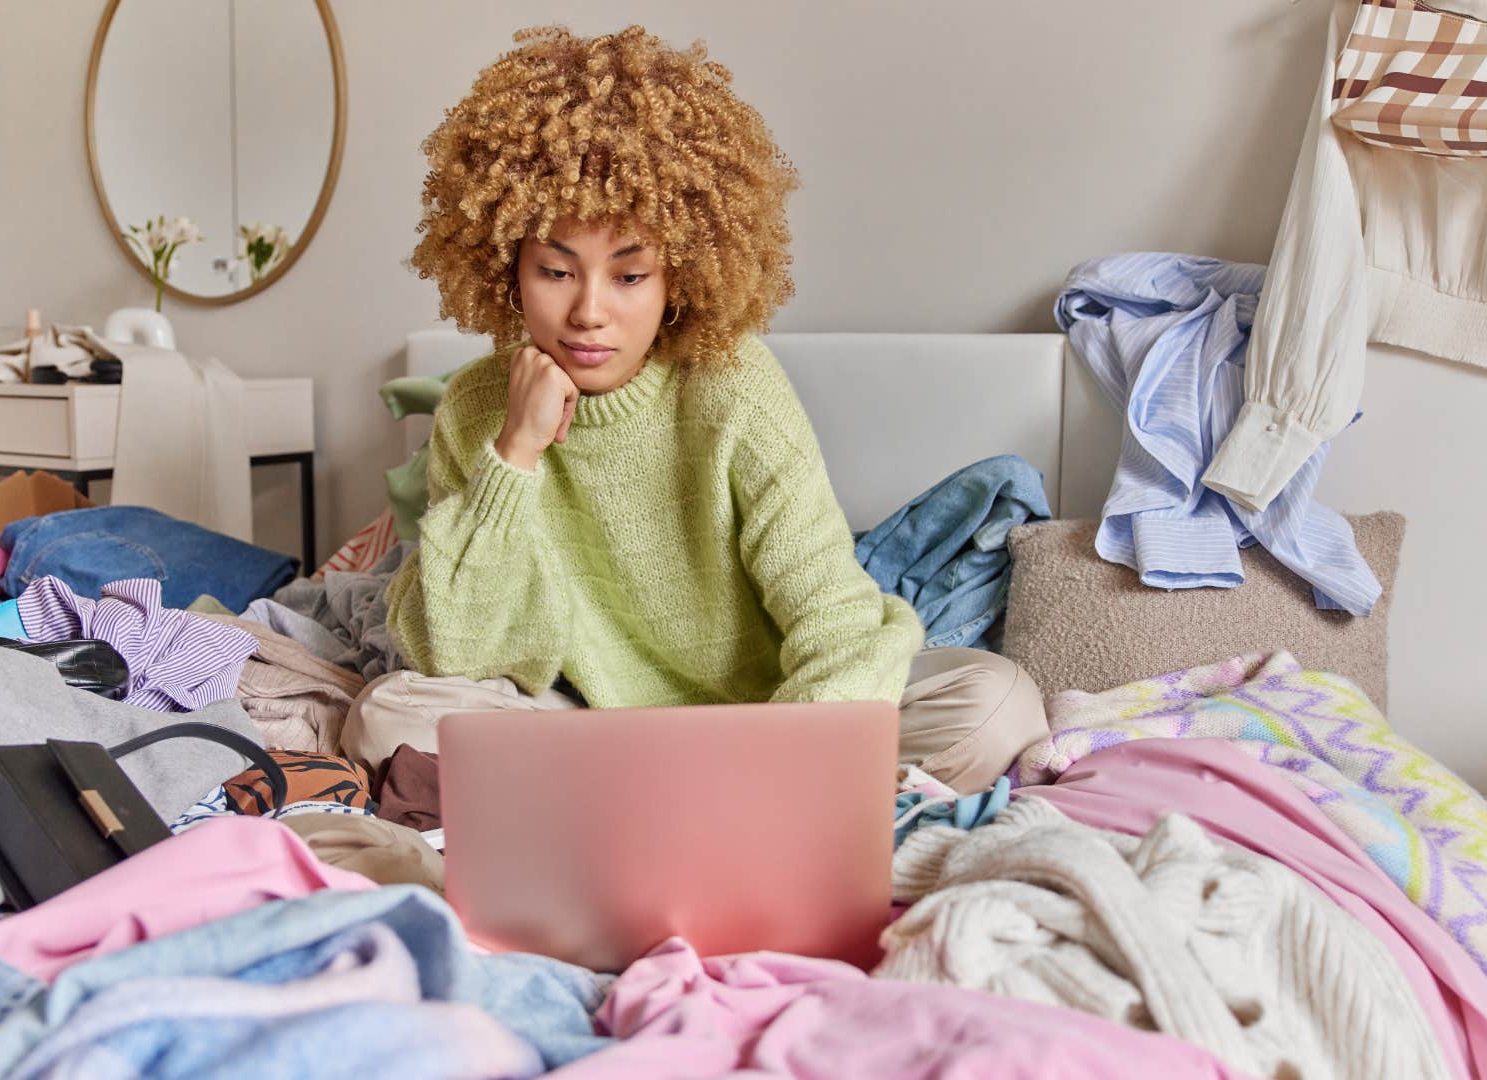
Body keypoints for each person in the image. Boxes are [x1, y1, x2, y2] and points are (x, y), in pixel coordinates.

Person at [345, 25, 1045, 794]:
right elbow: (457, 654)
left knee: (997, 705)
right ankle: (694, 789)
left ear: (678, 276)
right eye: (556, 271)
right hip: (585, 722)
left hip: (767, 714)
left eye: (629, 276)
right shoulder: (478, 408)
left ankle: (683, 791)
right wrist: (514, 454)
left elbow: (836, 624)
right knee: (386, 718)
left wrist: (777, 748)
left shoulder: (733, 386)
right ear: (507, 267)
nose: (589, 312)